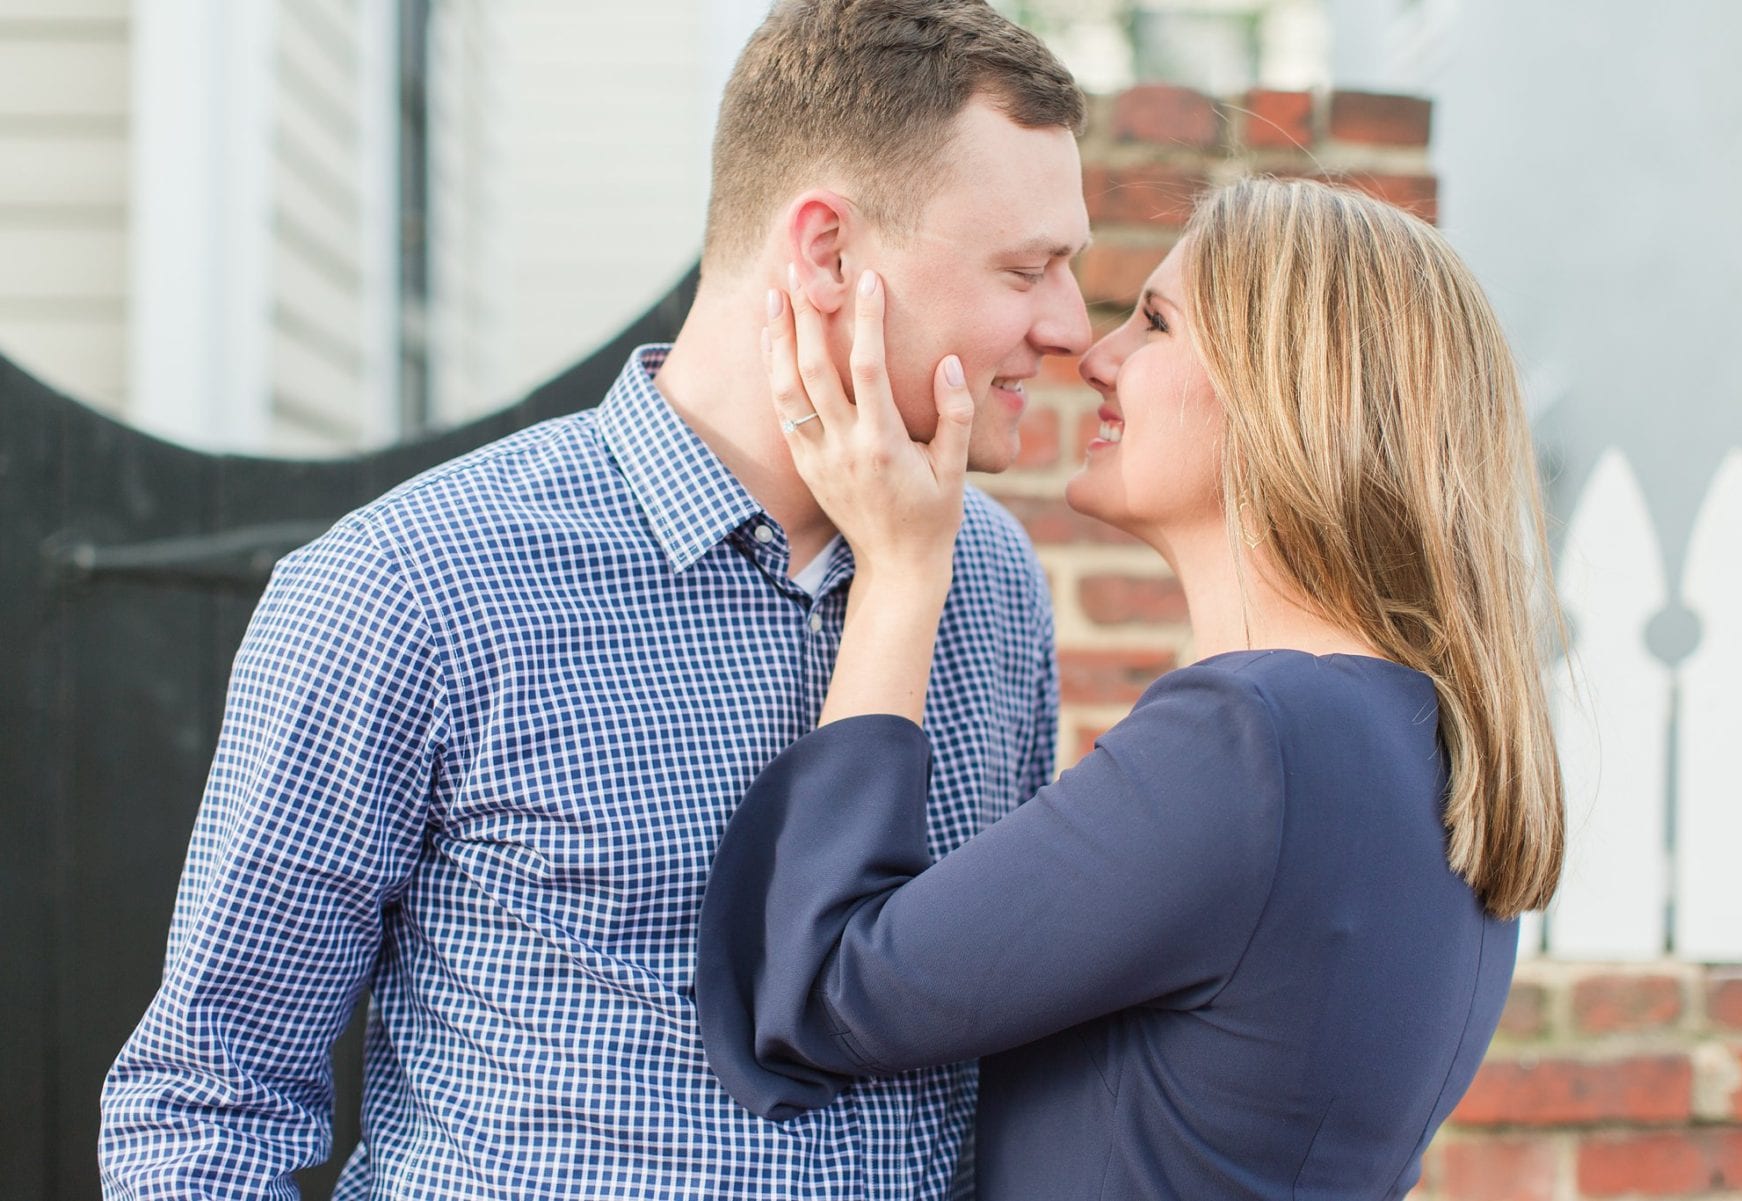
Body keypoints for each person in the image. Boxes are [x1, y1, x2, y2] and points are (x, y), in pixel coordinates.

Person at [99, 2, 1091, 1197]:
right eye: (1027, 270)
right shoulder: (411, 587)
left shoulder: (988, 584)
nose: (1070, 328)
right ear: (827, 254)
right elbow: (207, 1100)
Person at [697, 177, 1567, 1199]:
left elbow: (823, 994)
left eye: (1154, 323)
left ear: (1287, 387)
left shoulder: (1254, 744)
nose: (1096, 357)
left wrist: (898, 570)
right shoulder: (1421, 746)